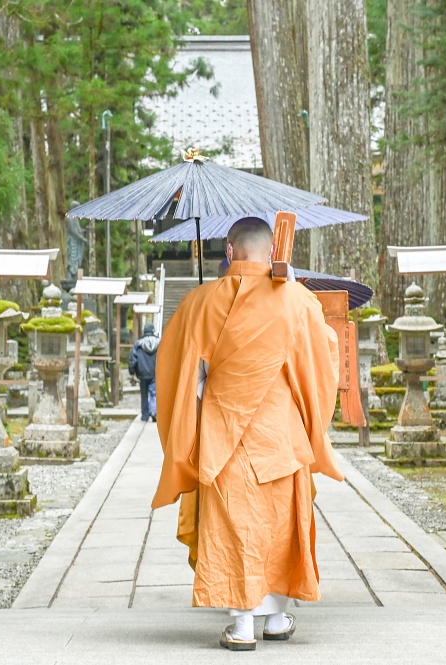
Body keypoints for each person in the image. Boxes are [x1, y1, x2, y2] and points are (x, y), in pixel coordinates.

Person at [152, 216, 342, 651]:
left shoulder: (200, 301)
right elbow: (320, 364)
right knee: (278, 525)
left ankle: (241, 625)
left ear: (230, 250)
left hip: (224, 431)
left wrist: (201, 396)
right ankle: (275, 617)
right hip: (280, 433)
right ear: (270, 250)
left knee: (233, 526)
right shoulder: (297, 300)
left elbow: (179, 369)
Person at [129, 322, 159, 422]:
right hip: (155, 372)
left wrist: (132, 371)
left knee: (144, 394)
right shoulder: (159, 342)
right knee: (154, 393)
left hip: (142, 373)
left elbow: (133, 359)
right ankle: (154, 411)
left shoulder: (138, 344)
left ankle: (145, 415)